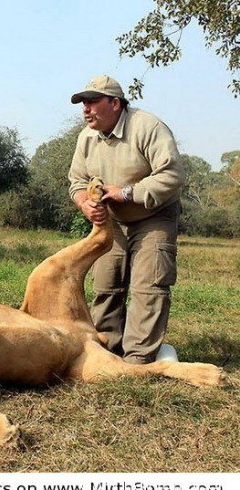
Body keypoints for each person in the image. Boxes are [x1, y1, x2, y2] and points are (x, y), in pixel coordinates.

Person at [68, 75, 184, 364]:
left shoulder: (148, 127)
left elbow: (172, 175)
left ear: (115, 103)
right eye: (83, 103)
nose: (86, 109)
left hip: (154, 216)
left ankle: (139, 358)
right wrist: (84, 203)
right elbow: (77, 181)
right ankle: (107, 351)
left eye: (93, 101)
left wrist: (127, 192)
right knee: (106, 285)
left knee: (149, 287)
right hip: (112, 221)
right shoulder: (86, 137)